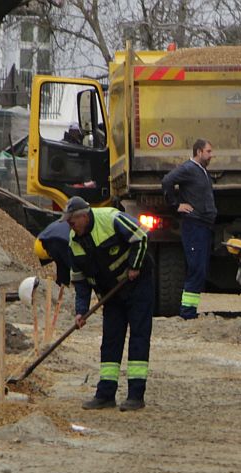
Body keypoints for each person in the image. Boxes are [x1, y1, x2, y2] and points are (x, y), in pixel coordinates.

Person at [64, 196, 154, 412]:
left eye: (72, 222)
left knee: (138, 337)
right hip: (111, 293)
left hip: (137, 285)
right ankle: (105, 394)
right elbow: (80, 280)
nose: (70, 226)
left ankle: (135, 395)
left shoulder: (111, 219)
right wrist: (81, 311)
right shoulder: (74, 241)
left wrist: (134, 266)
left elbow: (141, 236)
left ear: (84, 217)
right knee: (111, 340)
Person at [161, 139, 217, 319]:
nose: (211, 155)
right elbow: (167, 181)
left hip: (204, 225)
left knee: (200, 268)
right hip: (194, 225)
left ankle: (190, 310)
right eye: (208, 151)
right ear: (199, 152)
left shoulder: (202, 171)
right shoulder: (188, 169)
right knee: (195, 268)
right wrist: (175, 205)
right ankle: (187, 312)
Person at [34, 220, 73, 287]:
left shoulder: (66, 221)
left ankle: (61, 285)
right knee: (65, 263)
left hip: (39, 242)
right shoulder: (68, 234)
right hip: (44, 246)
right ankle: (62, 285)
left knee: (61, 262)